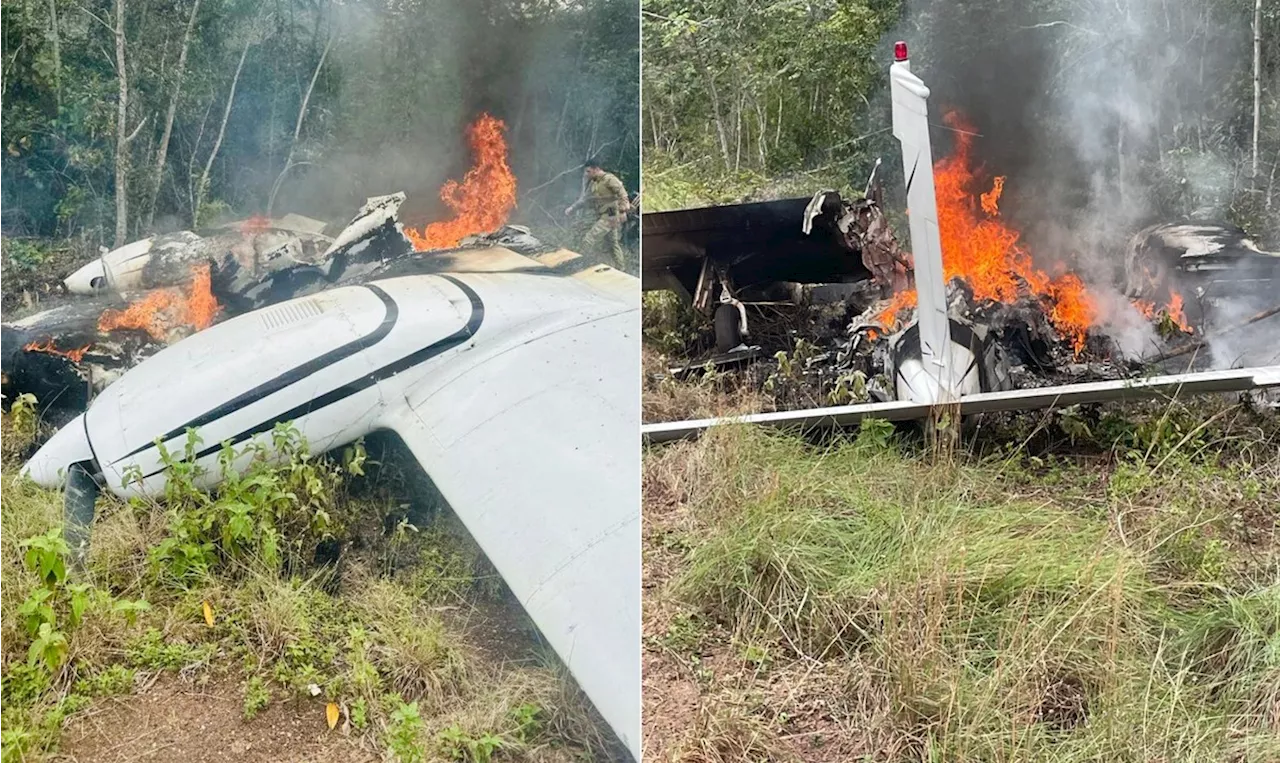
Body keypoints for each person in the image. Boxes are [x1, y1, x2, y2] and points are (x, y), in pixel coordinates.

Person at [565, 159, 631, 267]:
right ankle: (621, 267)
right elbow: (586, 199)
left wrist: (623, 211)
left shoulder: (609, 179)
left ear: (596, 169)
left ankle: (580, 264)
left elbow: (623, 194)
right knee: (612, 243)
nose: (587, 174)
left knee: (589, 239)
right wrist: (573, 208)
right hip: (603, 214)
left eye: (588, 171)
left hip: (610, 214)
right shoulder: (594, 182)